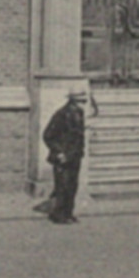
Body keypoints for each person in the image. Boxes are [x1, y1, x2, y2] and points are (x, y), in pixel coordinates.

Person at [43, 90, 89, 225]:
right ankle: (58, 215)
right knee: (62, 186)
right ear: (73, 101)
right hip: (62, 157)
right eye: (82, 101)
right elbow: (48, 135)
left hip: (74, 155)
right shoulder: (61, 114)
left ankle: (68, 213)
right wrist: (59, 152)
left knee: (72, 185)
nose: (84, 104)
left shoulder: (79, 113)